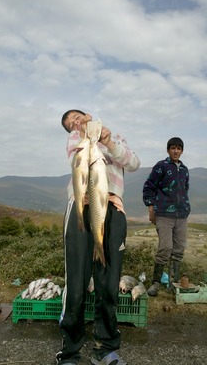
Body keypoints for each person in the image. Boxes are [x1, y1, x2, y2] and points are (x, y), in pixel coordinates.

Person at [56, 109, 141, 365]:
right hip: (82, 208)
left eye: (77, 117)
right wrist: (89, 139)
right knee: (77, 282)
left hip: (113, 208)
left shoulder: (114, 136)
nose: (76, 123)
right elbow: (78, 160)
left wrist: (108, 142)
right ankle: (70, 351)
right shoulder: (76, 140)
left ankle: (104, 348)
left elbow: (133, 163)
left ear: (89, 114)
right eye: (71, 124)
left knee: (109, 280)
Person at [142, 137, 191, 297]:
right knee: (165, 248)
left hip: (181, 215)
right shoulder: (161, 166)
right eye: (173, 148)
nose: (176, 151)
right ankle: (155, 283)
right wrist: (151, 207)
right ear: (168, 150)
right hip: (163, 214)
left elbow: (185, 189)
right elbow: (149, 186)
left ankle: (173, 283)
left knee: (179, 250)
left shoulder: (184, 169)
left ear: (182, 150)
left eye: (179, 148)